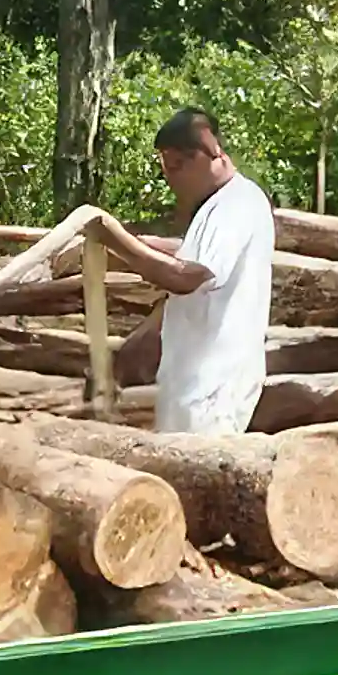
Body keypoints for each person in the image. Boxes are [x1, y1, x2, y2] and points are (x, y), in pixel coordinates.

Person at [93, 107, 274, 435]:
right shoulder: (215, 208)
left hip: (214, 389)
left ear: (206, 152)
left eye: (174, 168)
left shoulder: (238, 205)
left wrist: (116, 240)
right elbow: (186, 270)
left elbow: (184, 277)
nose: (171, 180)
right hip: (192, 387)